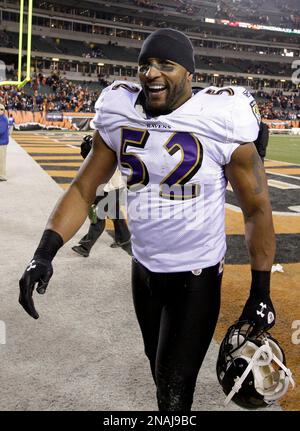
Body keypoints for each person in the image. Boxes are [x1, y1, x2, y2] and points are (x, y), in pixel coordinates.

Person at [19, 28, 276, 411]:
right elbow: (83, 188)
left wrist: (260, 289)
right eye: (145, 65)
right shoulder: (120, 110)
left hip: (196, 277)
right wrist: (44, 251)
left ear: (189, 73)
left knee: (174, 395)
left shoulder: (222, 118)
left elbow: (256, 208)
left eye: (165, 65)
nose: (151, 74)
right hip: (143, 270)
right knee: (160, 373)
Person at [72, 135, 131, 257]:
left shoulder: (103, 154)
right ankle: (124, 238)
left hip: (110, 187)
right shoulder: (112, 145)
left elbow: (87, 156)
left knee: (98, 217)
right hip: (115, 186)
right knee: (115, 214)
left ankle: (85, 246)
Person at [0, 103, 9, 181]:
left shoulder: (3, 119)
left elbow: (1, 131)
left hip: (2, 143)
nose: (0, 111)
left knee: (1, 160)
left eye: (1, 109)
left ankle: (2, 176)